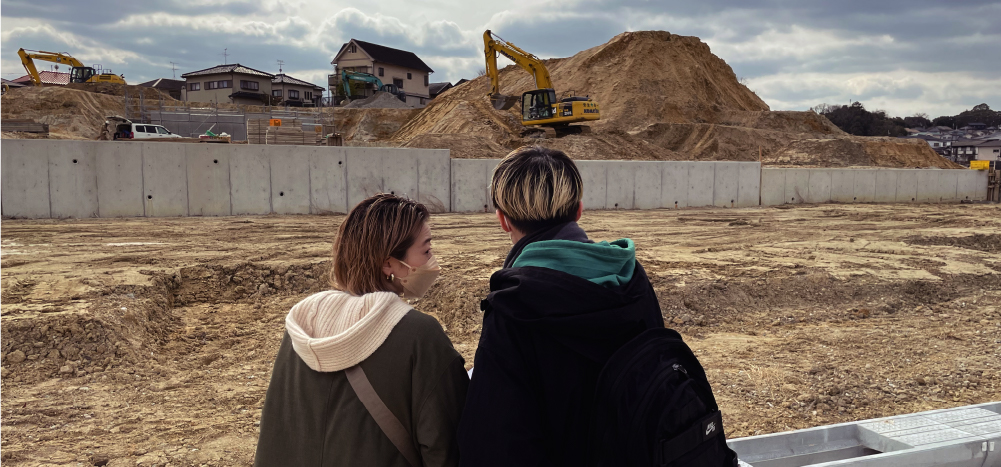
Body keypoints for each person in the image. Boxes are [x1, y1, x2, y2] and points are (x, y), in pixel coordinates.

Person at [458, 146, 665, 466]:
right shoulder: (632, 281)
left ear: (502, 220)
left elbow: (492, 443)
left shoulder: (513, 308)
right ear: (579, 210)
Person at [255, 193, 468, 467]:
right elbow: (445, 448)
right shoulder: (420, 335)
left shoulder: (302, 324)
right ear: (388, 264)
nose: (433, 261)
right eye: (426, 250)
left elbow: (277, 429)